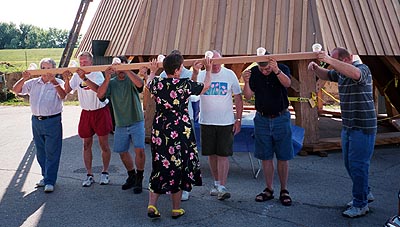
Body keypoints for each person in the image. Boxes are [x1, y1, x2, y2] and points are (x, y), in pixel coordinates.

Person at [308, 47, 377, 218]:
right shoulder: (340, 72)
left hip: (363, 126)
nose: (332, 63)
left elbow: (355, 74)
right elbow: (327, 75)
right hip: (349, 126)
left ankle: (360, 204)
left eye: (335, 60)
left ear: (346, 59)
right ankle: (365, 193)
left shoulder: (362, 69)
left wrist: (330, 61)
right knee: (349, 163)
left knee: (358, 165)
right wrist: (317, 69)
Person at [146, 53, 211, 219]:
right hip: (179, 129)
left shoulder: (158, 83)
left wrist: (153, 71)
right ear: (176, 70)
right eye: (181, 67)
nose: (182, 69)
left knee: (160, 164)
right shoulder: (184, 84)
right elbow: (205, 87)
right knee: (178, 166)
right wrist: (208, 70)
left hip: (160, 129)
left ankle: (152, 204)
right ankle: (175, 209)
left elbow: (148, 84)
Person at [242, 54, 294, 206]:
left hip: (281, 117)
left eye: (267, 68)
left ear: (272, 63)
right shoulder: (254, 72)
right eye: (261, 68)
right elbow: (248, 96)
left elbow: (288, 83)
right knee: (265, 156)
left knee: (283, 156)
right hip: (262, 118)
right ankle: (269, 189)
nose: (264, 71)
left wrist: (276, 71)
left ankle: (284, 190)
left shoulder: (281, 68)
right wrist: (246, 82)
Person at [13, 58, 67, 193]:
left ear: (53, 70)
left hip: (52, 120)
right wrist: (23, 79)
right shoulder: (33, 83)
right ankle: (45, 176)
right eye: (43, 68)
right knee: (40, 151)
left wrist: (54, 81)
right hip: (36, 121)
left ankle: (50, 181)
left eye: (48, 68)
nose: (45, 71)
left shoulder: (58, 82)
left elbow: (63, 95)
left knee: (52, 151)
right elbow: (16, 90)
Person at [197, 50, 243, 201]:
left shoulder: (229, 74)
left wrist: (238, 120)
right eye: (212, 63)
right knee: (211, 154)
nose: (215, 66)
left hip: (225, 121)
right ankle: (216, 184)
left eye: (218, 63)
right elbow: (194, 94)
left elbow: (238, 97)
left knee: (223, 155)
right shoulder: (202, 75)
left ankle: (222, 186)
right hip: (206, 121)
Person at [97, 56, 146, 194]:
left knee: (140, 150)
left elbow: (140, 84)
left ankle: (139, 178)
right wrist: (107, 77)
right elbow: (100, 95)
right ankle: (132, 175)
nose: (119, 69)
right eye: (116, 66)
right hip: (120, 123)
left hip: (136, 120)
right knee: (122, 152)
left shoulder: (131, 79)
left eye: (121, 65)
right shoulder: (111, 83)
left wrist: (127, 68)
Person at [63, 51, 113, 187]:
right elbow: (67, 91)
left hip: (100, 111)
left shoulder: (96, 73)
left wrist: (84, 78)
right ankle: (89, 174)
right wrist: (67, 78)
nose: (83, 64)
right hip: (86, 112)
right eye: (81, 62)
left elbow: (98, 91)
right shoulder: (77, 75)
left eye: (85, 62)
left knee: (104, 144)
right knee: (86, 144)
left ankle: (105, 172)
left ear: (91, 62)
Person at [159, 50, 202, 201]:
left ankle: (184, 187)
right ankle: (171, 184)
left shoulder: (187, 74)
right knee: (170, 156)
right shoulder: (164, 75)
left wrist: (196, 73)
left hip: (183, 119)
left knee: (183, 155)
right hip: (167, 123)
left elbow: (195, 92)